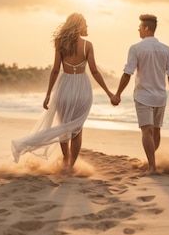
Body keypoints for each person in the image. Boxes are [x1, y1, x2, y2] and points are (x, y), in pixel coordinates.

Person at [11, 13, 114, 171]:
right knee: (77, 129)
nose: (87, 27)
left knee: (64, 125)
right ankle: (70, 166)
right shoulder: (88, 45)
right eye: (85, 24)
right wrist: (109, 93)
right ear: (79, 25)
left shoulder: (60, 43)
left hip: (64, 87)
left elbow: (55, 70)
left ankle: (66, 159)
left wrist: (48, 94)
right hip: (82, 88)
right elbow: (94, 71)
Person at [112, 14, 169, 174]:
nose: (139, 30)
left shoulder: (136, 48)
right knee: (155, 131)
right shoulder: (166, 49)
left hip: (143, 96)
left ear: (147, 28)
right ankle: (151, 162)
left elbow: (128, 73)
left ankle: (152, 167)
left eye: (140, 27)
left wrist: (118, 94)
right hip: (160, 96)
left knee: (147, 131)